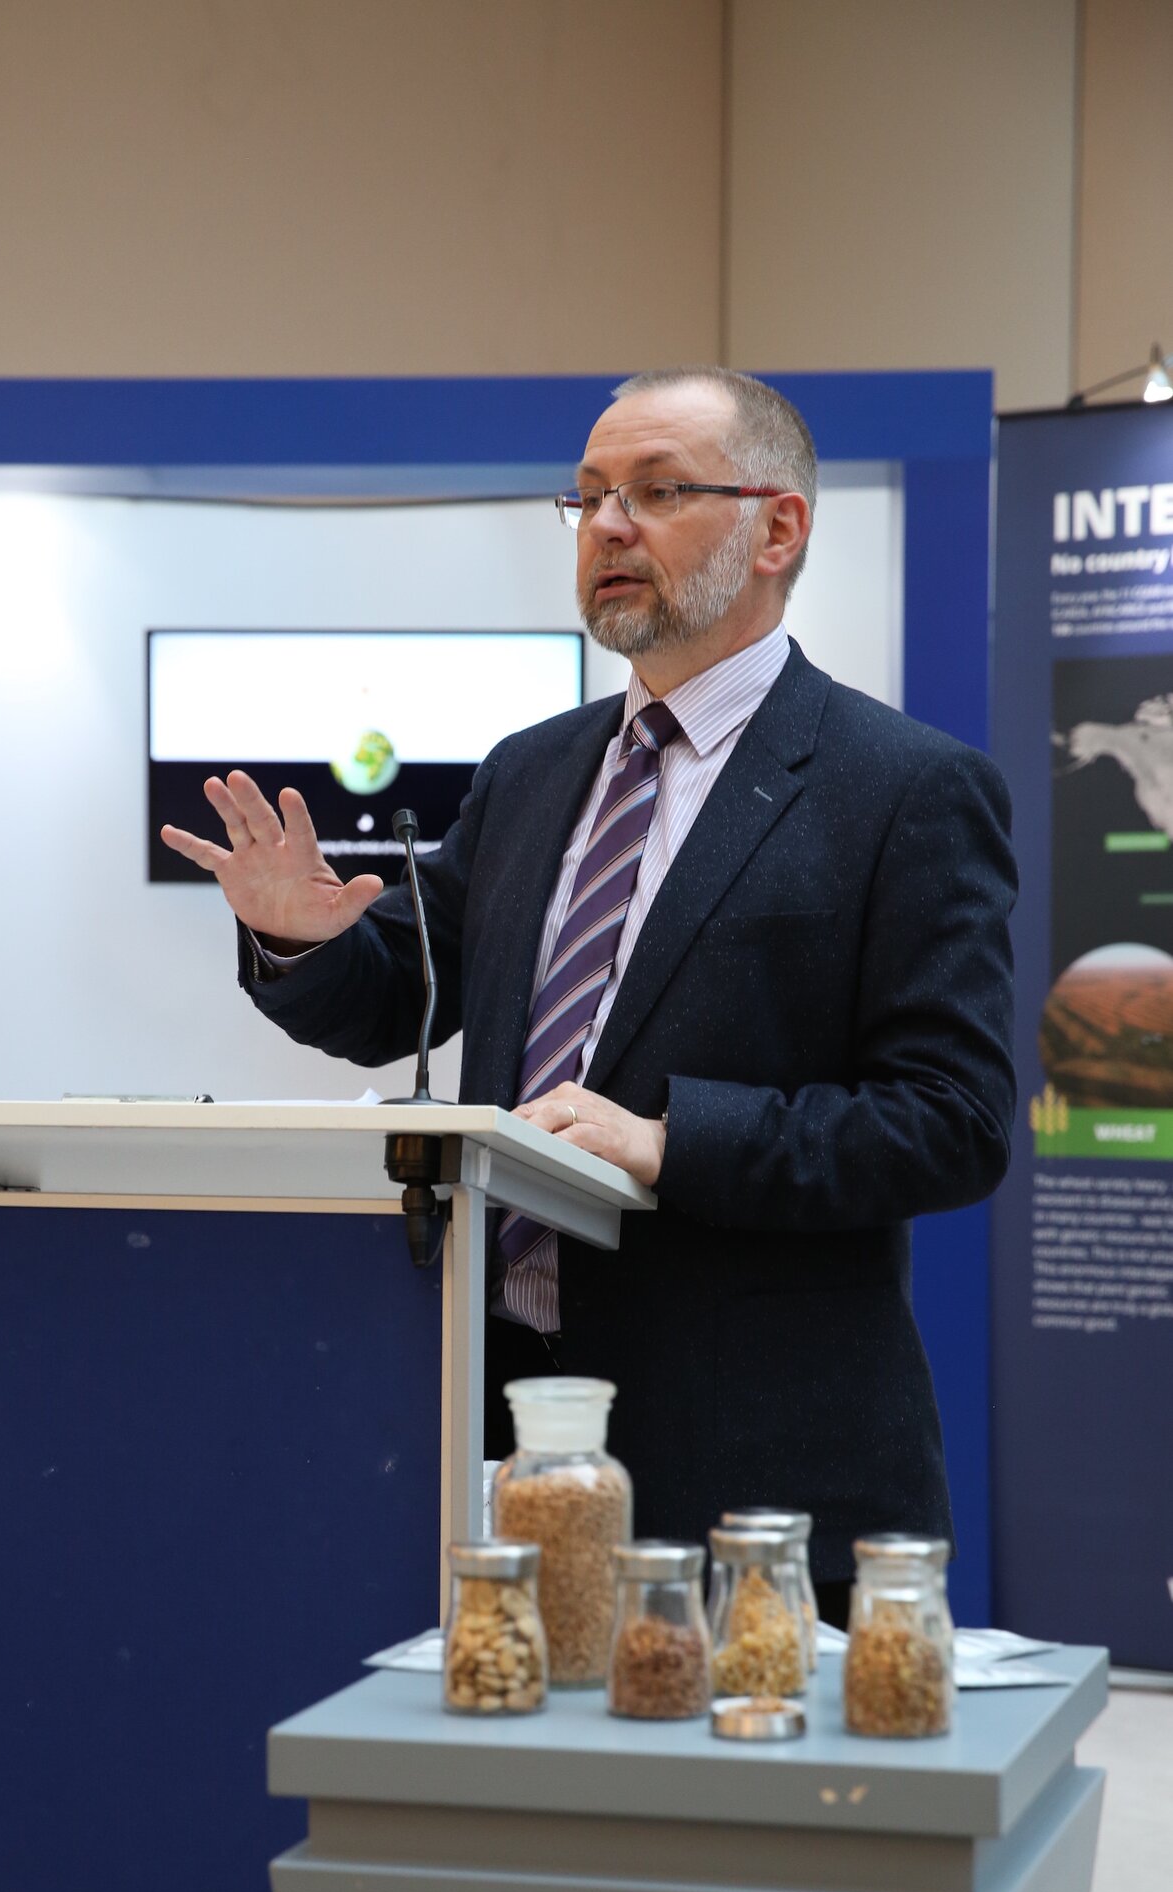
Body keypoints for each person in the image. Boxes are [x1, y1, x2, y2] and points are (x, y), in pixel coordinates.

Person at [160, 368, 1016, 1611]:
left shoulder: (905, 790)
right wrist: (299, 941)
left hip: (755, 1463)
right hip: (490, 1432)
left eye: (659, 491)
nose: (609, 526)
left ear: (779, 529)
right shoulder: (530, 773)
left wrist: (670, 1143)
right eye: (591, 497)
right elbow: (399, 996)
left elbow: (954, 1122)